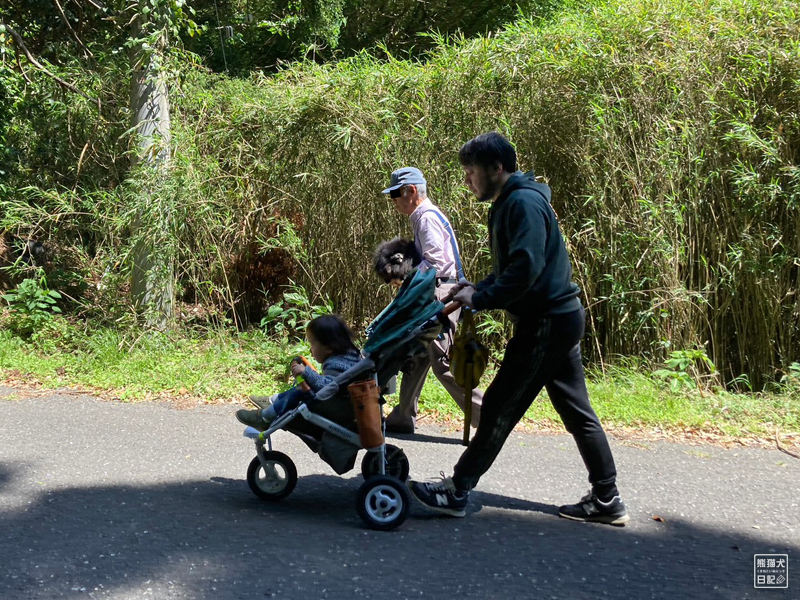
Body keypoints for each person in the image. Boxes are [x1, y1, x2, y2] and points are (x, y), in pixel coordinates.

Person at [408, 132, 629, 525]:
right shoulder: (513, 201)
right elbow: (513, 267)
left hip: (545, 321)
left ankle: (457, 490)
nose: (467, 181)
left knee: (498, 407)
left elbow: (526, 270)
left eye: (471, 171)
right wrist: (477, 288)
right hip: (558, 317)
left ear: (497, 168)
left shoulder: (522, 204)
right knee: (576, 410)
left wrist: (483, 297)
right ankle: (607, 498)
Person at [380, 167, 484, 434]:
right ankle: (403, 416)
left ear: (410, 191)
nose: (393, 200)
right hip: (440, 290)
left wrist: (405, 275)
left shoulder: (425, 217)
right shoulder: (423, 216)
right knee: (415, 355)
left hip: (439, 293)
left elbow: (436, 262)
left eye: (395, 194)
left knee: (443, 362)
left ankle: (489, 417)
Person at [236, 315, 361, 429]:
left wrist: (306, 373)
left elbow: (329, 386)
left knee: (300, 391)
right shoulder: (350, 355)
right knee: (302, 386)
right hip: (344, 404)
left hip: (338, 409)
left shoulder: (337, 364)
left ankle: (264, 418)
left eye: (312, 344)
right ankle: (273, 401)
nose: (310, 349)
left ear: (329, 347)